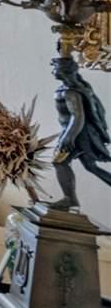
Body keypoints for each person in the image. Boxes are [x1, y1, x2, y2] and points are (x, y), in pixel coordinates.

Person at [51, 54, 111, 212]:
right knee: (91, 167)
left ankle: (69, 199)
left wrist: (67, 137)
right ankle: (70, 198)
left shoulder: (71, 92)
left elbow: (77, 116)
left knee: (59, 162)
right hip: (77, 133)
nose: (53, 70)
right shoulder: (73, 88)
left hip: (77, 135)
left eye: (55, 67)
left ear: (64, 71)